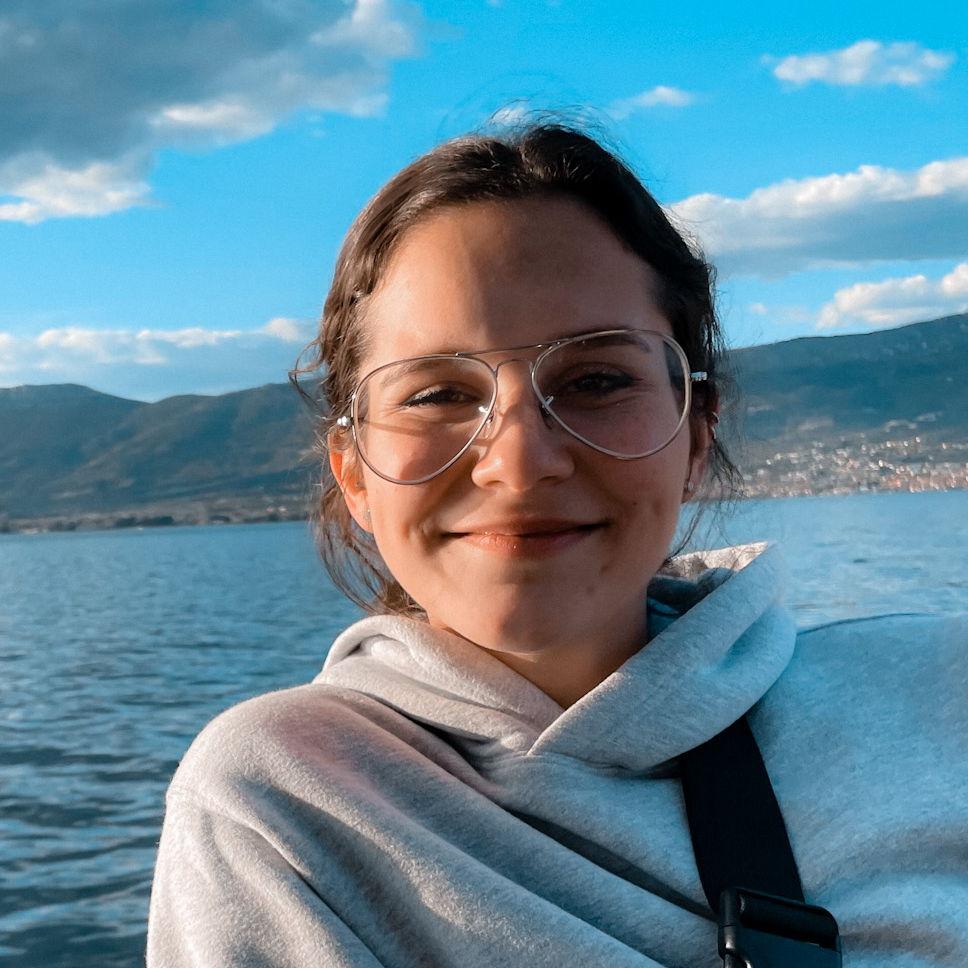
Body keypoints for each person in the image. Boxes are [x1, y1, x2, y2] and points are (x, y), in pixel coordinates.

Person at [147, 123, 968, 967]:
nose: (520, 462)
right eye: (435, 394)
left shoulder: (938, 692)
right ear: (354, 472)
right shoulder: (286, 801)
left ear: (696, 433)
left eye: (597, 380)